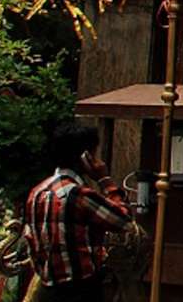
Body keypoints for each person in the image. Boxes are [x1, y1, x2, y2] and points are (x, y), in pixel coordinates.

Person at [23, 122, 135, 302]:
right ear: (85, 156)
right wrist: (105, 180)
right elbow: (124, 221)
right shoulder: (78, 195)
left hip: (48, 289)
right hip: (80, 290)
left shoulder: (36, 193)